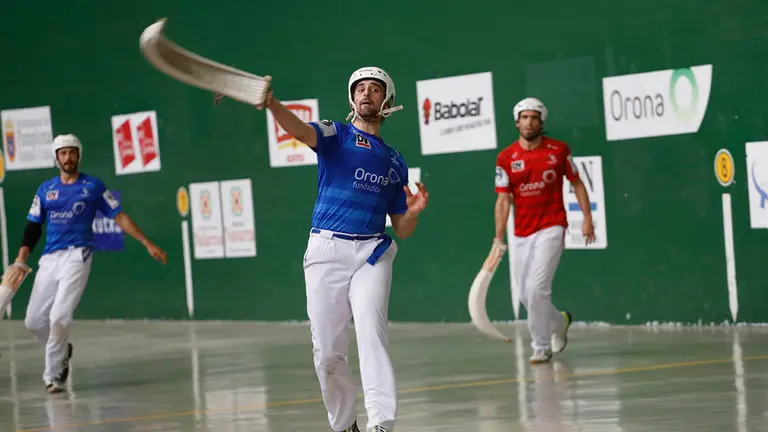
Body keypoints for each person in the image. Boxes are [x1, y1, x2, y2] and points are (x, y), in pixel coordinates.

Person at [255, 67, 429, 432]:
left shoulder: (395, 161)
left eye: (375, 90)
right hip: (325, 250)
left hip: (371, 254)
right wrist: (272, 104)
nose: (367, 94)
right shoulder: (337, 134)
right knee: (328, 354)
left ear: (387, 102)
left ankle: (382, 423)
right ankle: (344, 422)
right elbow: (299, 130)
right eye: (360, 89)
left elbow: (402, 229)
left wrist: (411, 212)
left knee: (371, 332)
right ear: (353, 100)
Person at [3, 134, 167, 393]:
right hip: (49, 258)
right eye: (63, 153)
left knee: (59, 316)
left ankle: (53, 375)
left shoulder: (93, 186)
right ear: (56, 158)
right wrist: (21, 258)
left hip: (78, 256)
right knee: (33, 322)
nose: (68, 157)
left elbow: (119, 215)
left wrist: (146, 242)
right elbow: (33, 227)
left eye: (72, 152)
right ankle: (62, 350)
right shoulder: (45, 189)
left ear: (79, 155)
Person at [493, 97, 594, 364]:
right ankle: (559, 323)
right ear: (517, 122)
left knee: (537, 290)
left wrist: (587, 218)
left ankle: (540, 346)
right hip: (522, 233)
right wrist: (498, 237)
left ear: (541, 122)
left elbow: (577, 183)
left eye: (534, 117)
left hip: (552, 225)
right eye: (524, 117)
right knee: (526, 295)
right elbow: (503, 200)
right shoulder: (505, 158)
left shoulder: (559, 150)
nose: (529, 122)